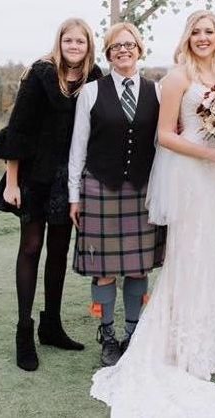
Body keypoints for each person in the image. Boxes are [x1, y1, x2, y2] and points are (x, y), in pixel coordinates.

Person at [90, 10, 215, 417]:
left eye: (209, 32)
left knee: (209, 251)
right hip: (191, 172)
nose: (203, 38)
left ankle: (205, 337)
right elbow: (165, 135)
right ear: (187, 37)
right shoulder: (177, 77)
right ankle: (175, 341)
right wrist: (208, 153)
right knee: (187, 253)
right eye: (197, 32)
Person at [0, 18, 102, 371]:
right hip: (34, 176)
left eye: (80, 41)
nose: (74, 46)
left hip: (69, 179)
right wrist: (11, 182)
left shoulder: (94, 78)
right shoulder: (40, 74)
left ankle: (51, 325)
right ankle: (24, 331)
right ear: (59, 42)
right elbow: (18, 130)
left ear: (88, 45)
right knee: (31, 247)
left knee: (59, 250)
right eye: (68, 40)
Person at [68, 22, 166, 368]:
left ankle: (133, 333)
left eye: (129, 44)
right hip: (99, 188)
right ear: (108, 54)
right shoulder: (91, 92)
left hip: (142, 190)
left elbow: (161, 145)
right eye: (115, 46)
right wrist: (74, 196)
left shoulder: (157, 91)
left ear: (139, 49)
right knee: (105, 270)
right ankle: (107, 334)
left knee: (139, 269)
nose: (123, 50)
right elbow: (78, 148)